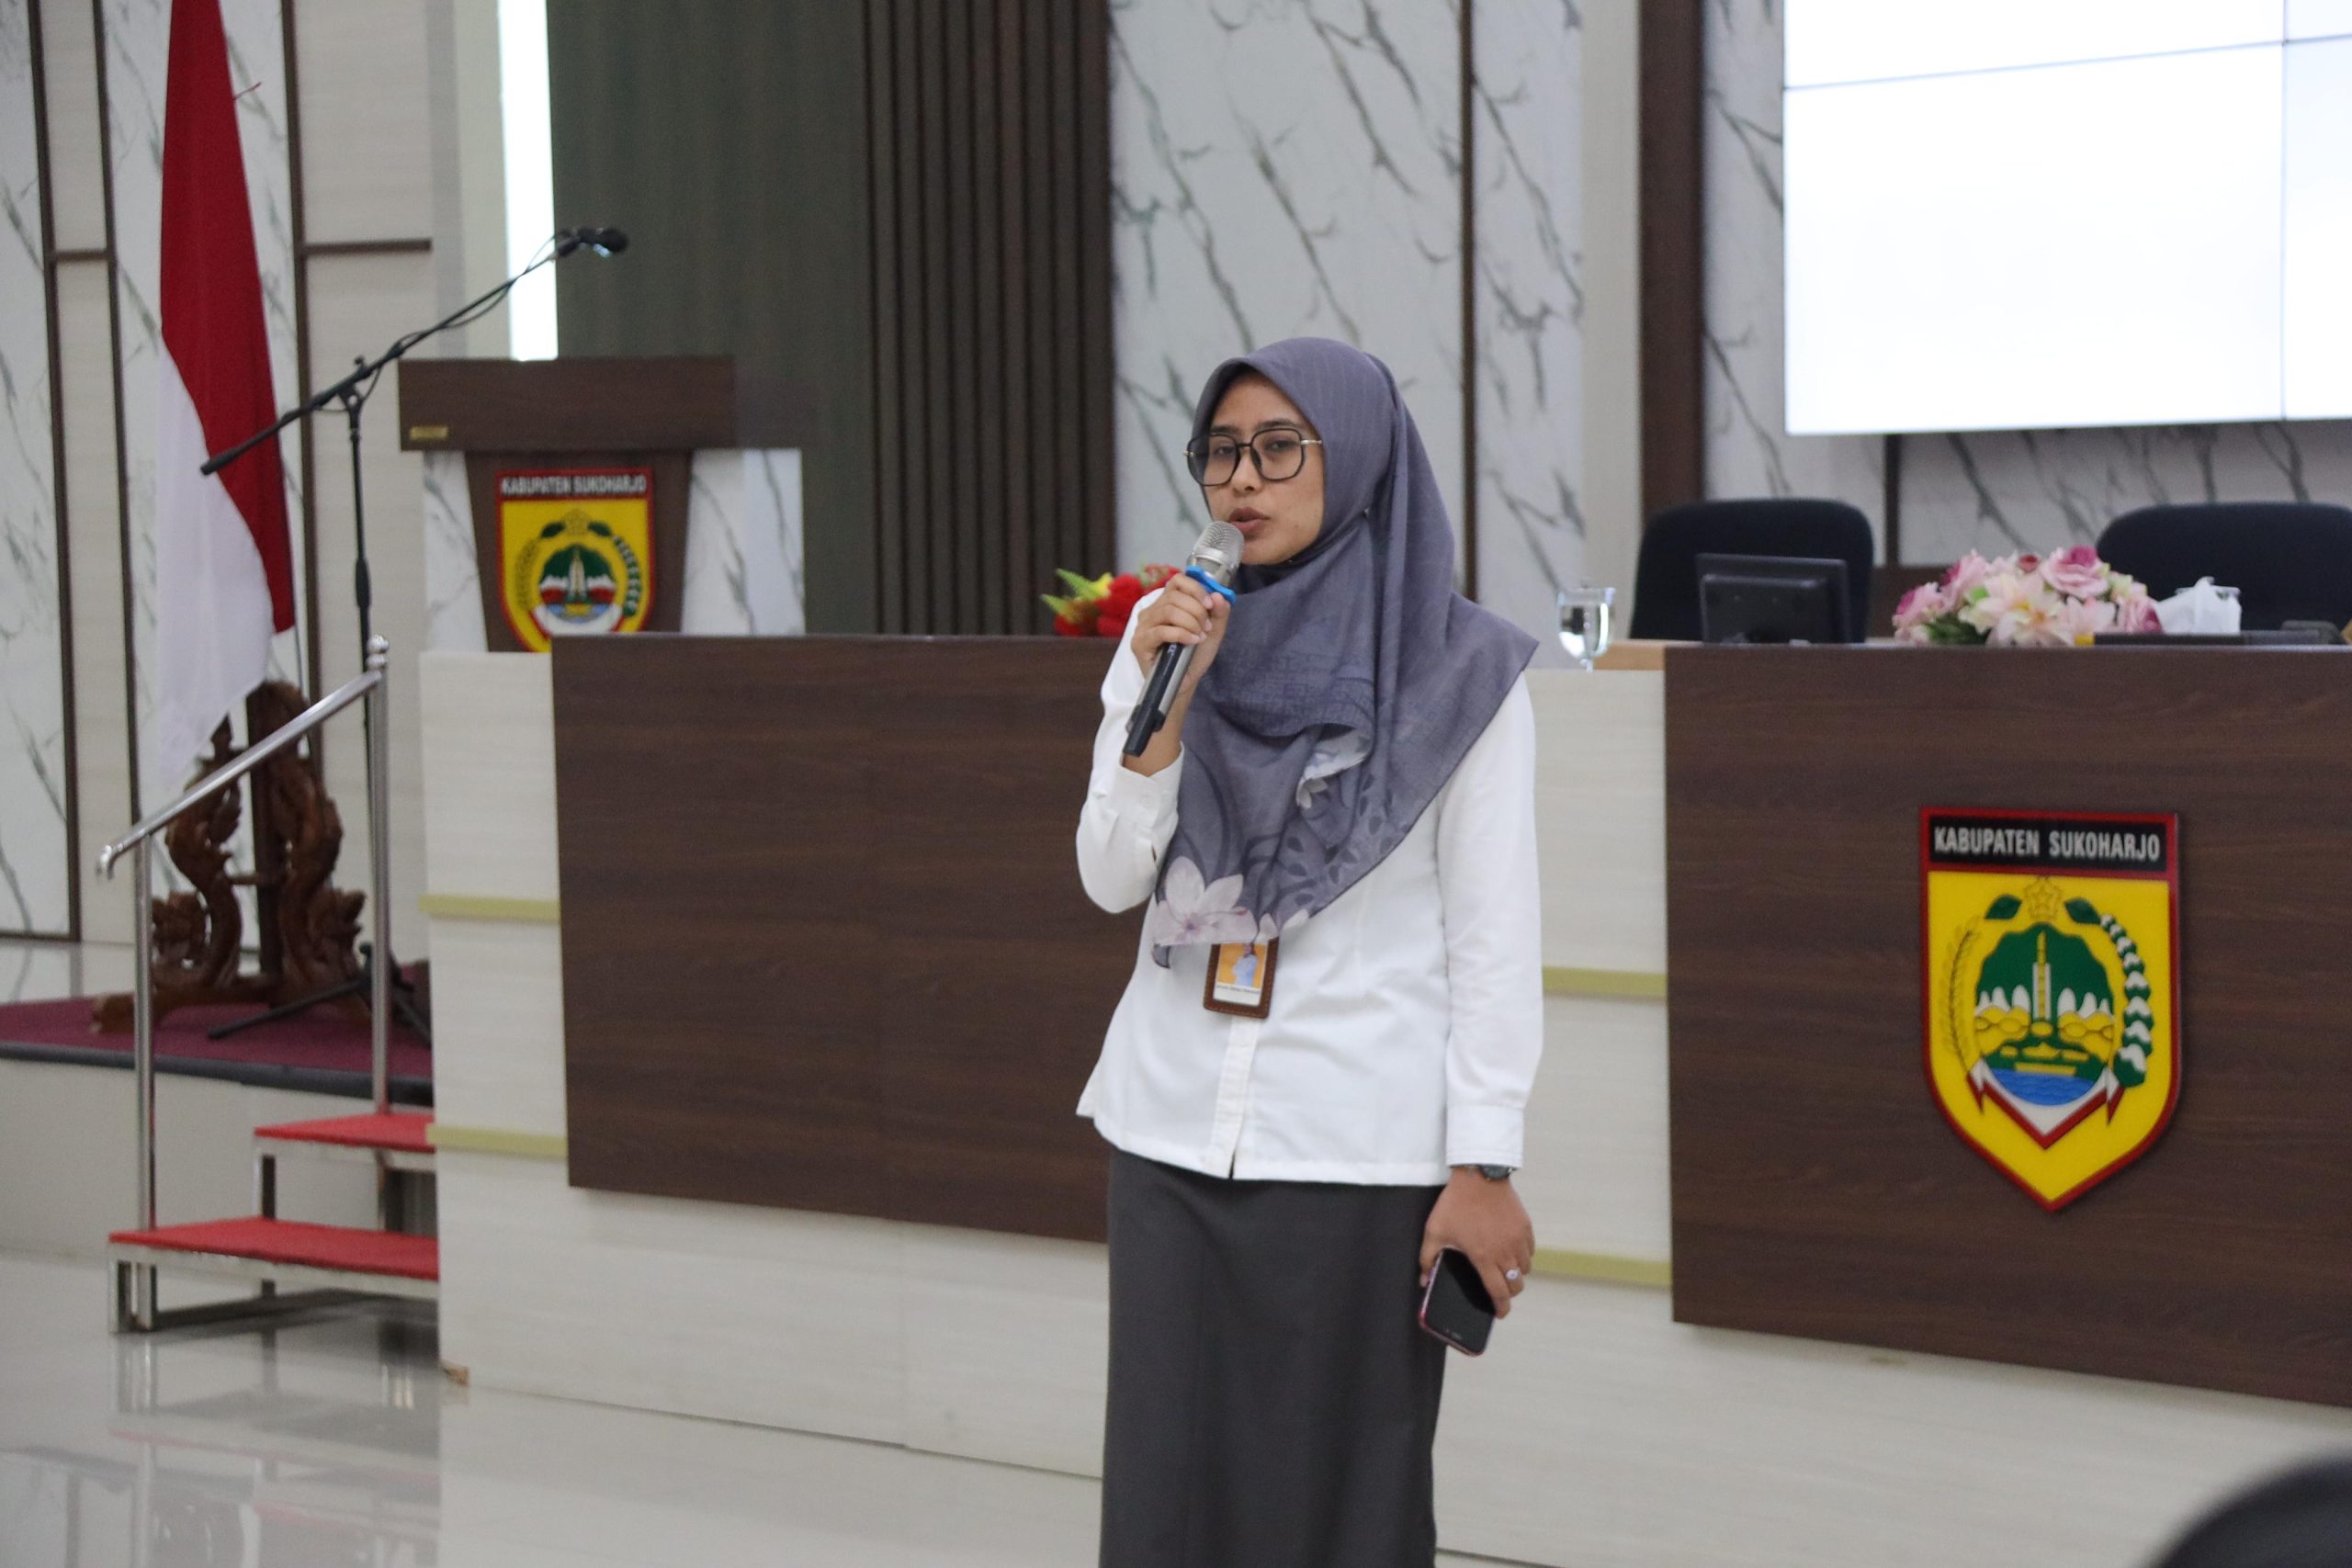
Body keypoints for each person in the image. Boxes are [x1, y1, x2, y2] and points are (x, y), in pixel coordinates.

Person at [1073, 336, 1544, 1566]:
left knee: (1339, 1504)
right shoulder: (1169, 643)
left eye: (1281, 448)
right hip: (1172, 1133)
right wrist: (1162, 713)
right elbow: (1111, 876)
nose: (1243, 479)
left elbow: (1494, 940)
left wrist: (1484, 1164)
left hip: (1356, 1147)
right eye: (1223, 450)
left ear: (1362, 458)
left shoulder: (1463, 677)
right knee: (1166, 1502)